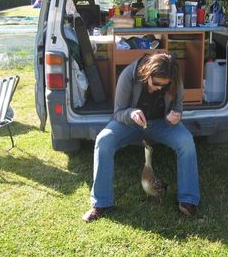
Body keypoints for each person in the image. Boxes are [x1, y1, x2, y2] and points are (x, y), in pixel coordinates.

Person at [82, 53, 200, 222]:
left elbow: (178, 106)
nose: (159, 88)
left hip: (161, 123)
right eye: (156, 83)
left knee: (186, 141)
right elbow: (118, 113)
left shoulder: (174, 79)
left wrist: (175, 115)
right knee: (103, 140)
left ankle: (188, 200)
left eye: (164, 86)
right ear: (147, 73)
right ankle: (101, 203)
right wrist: (131, 113)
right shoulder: (128, 75)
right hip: (129, 124)